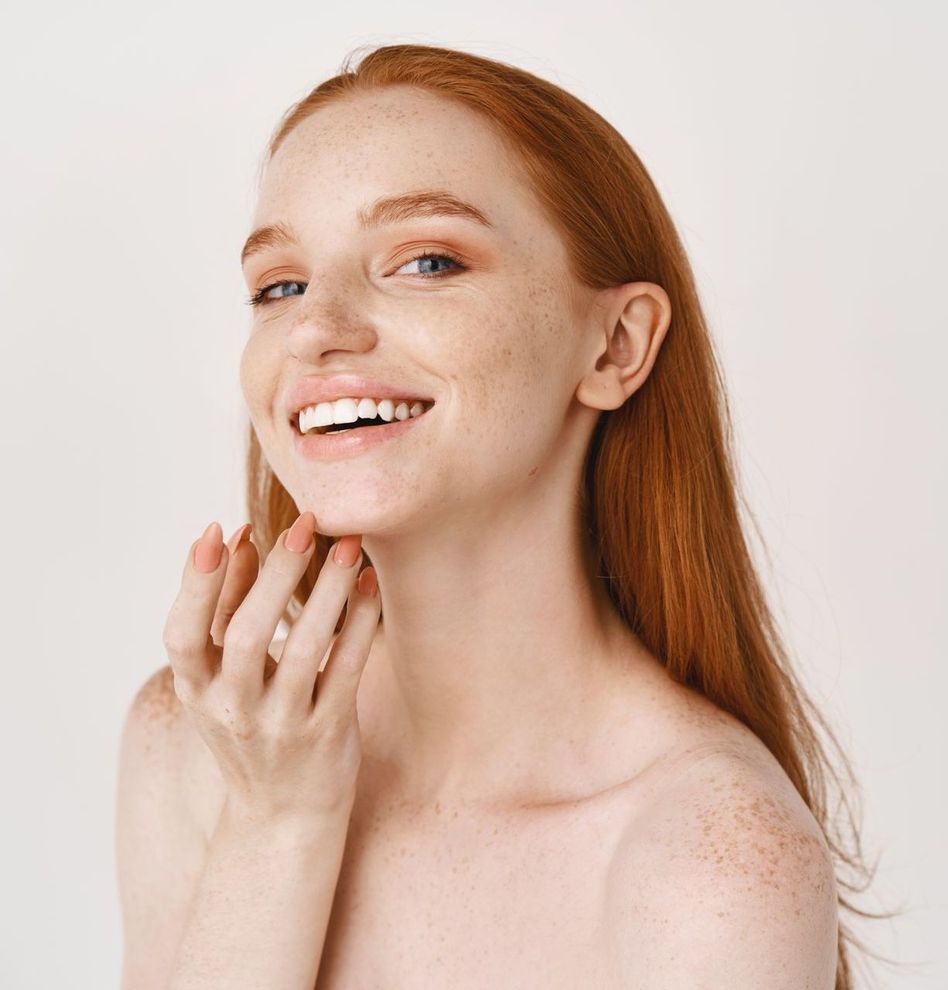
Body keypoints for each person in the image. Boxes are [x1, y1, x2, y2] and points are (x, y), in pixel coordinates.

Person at [116, 43, 873, 990]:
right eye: (280, 285)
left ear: (616, 345)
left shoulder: (712, 864)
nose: (314, 328)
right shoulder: (194, 739)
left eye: (427, 260)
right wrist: (275, 825)